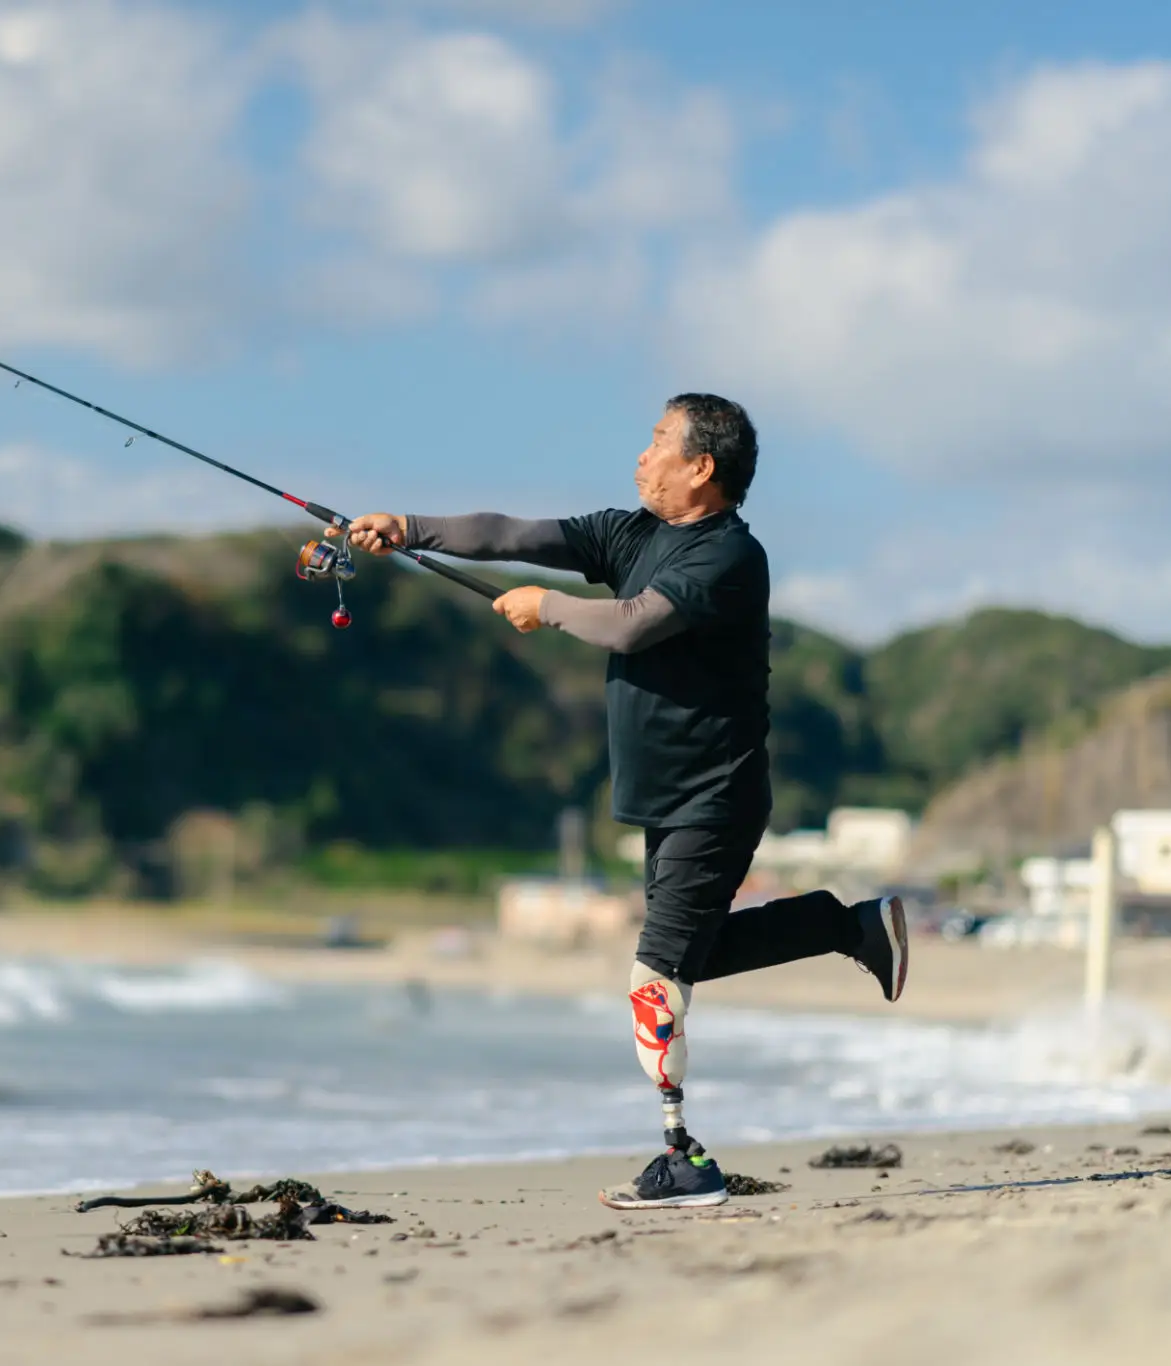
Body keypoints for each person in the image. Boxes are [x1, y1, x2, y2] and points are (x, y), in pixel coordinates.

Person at [333, 392, 908, 1210]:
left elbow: (636, 625)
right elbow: (513, 535)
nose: (640, 457)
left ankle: (683, 1159)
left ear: (701, 466)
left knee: (656, 978)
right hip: (667, 801)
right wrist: (408, 526)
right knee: (692, 955)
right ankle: (842, 925)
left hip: (717, 797)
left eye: (656, 443)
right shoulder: (628, 532)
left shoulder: (730, 558)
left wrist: (550, 609)